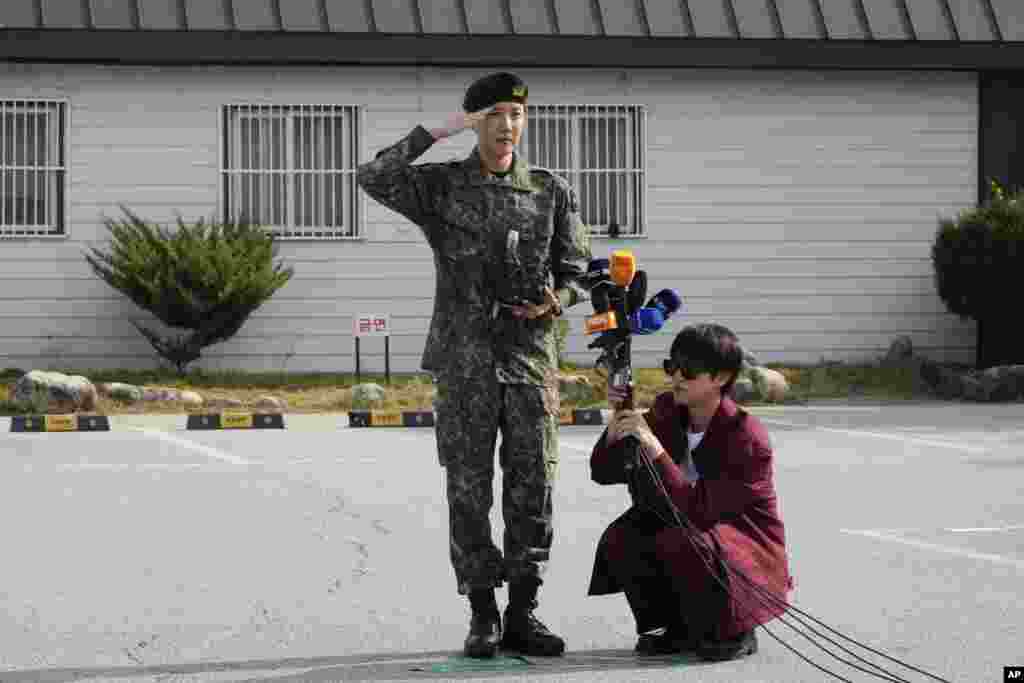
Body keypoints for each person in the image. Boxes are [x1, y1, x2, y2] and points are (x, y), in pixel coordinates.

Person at [356, 72, 591, 659]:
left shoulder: (548, 190)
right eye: (493, 116)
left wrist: (554, 301)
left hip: (531, 361)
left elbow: (579, 269)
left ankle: (524, 611)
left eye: (514, 114)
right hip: (465, 363)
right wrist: (437, 131)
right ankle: (482, 611)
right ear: (474, 123)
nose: (506, 126)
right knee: (468, 489)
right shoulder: (442, 189)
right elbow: (374, 176)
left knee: (533, 486)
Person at [587, 323, 792, 661]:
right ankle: (673, 627)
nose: (678, 377)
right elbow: (604, 472)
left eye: (690, 369)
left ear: (722, 377)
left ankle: (735, 629)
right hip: (692, 530)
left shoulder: (746, 437)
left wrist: (655, 449)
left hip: (744, 547)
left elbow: (700, 510)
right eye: (672, 366)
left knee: (686, 540)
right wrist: (617, 423)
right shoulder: (668, 408)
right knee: (623, 537)